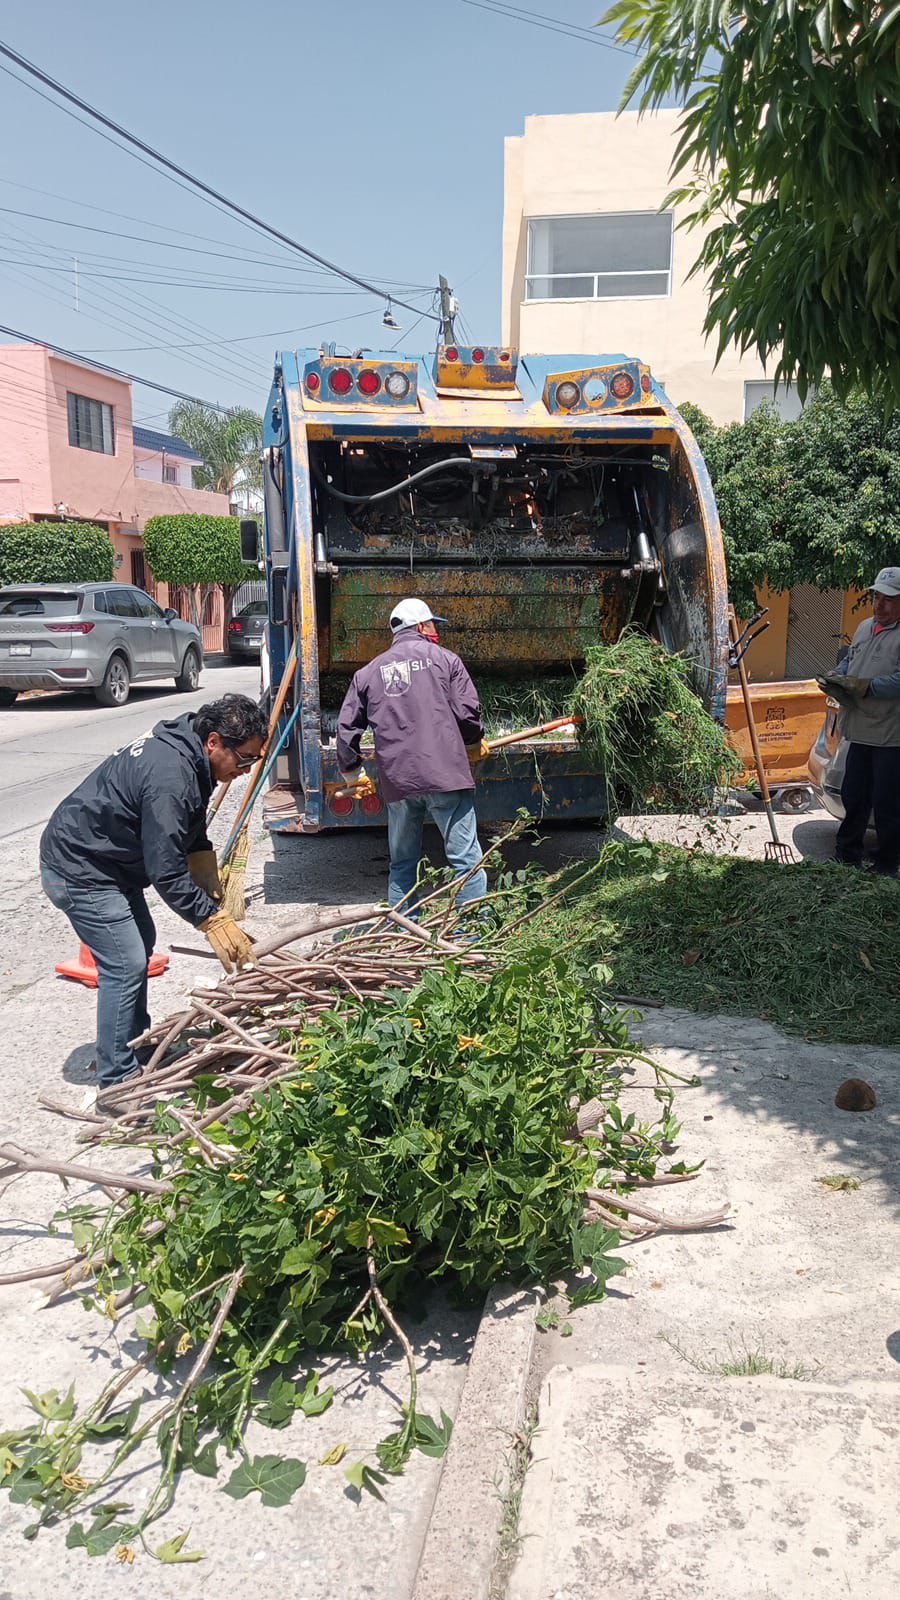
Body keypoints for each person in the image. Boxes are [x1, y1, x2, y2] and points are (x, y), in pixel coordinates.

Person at [40, 694, 267, 1093]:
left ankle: (135, 1046)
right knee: (125, 962)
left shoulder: (188, 747)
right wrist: (208, 917)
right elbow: (164, 869)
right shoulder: (170, 776)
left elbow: (187, 819)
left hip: (111, 862)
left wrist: (202, 860)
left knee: (141, 942)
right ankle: (117, 1082)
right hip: (79, 867)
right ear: (214, 742)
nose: (246, 771)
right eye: (244, 760)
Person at [336, 597, 490, 910]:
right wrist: (473, 742)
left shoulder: (367, 673)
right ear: (420, 626)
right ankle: (473, 933)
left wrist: (352, 772)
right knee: (465, 859)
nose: (436, 630)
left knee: (403, 862)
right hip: (445, 775)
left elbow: (346, 728)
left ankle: (405, 932)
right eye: (433, 624)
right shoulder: (446, 660)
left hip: (399, 782)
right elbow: (467, 714)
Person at [817, 567, 900, 877]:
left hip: (890, 738)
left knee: (887, 805)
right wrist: (836, 676)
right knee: (854, 797)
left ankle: (887, 863)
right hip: (859, 732)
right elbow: (850, 661)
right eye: (877, 597)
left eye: (889, 599)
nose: (880, 605)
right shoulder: (866, 627)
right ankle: (847, 854)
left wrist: (867, 686)